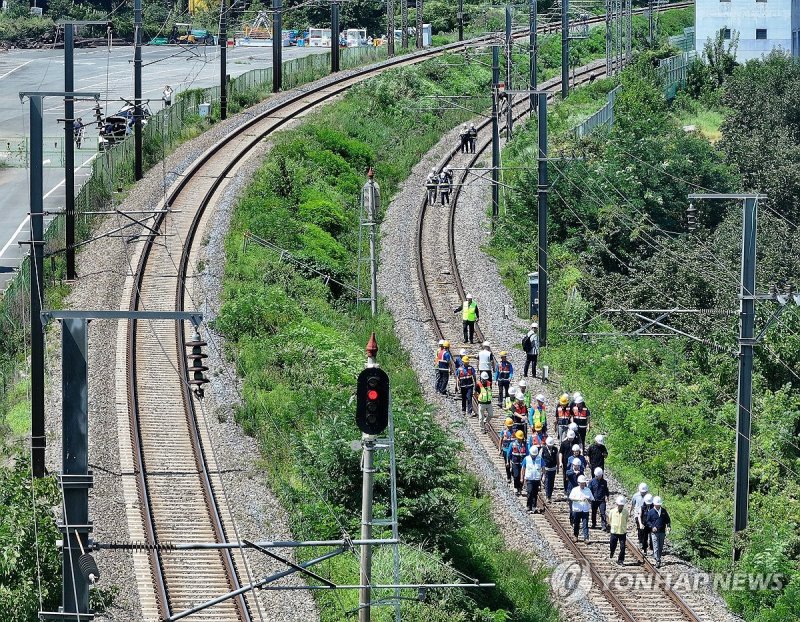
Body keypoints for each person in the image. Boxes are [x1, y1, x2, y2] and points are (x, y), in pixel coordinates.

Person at [569, 474, 594, 543]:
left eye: (584, 483)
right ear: (578, 483)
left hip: (585, 510)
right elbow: (571, 498)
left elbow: (592, 499)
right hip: (577, 509)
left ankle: (586, 538)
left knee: (585, 524)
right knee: (576, 524)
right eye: (581, 483)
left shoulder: (588, 490)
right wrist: (578, 499)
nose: (583, 485)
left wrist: (588, 499)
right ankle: (575, 535)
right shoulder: (575, 490)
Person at [647, 496, 671, 567]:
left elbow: (668, 520)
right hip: (654, 533)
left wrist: (668, 527)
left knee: (660, 546)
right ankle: (657, 560)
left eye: (659, 504)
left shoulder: (664, 511)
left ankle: (658, 557)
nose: (658, 506)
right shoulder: (651, 512)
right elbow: (648, 521)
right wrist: (652, 526)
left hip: (662, 531)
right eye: (657, 505)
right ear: (654, 504)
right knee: (656, 546)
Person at [608, 496, 629, 565]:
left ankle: (620, 560)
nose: (621, 506)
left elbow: (626, 520)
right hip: (614, 531)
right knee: (612, 545)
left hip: (622, 532)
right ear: (617, 504)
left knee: (623, 547)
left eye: (622, 505)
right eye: (620, 505)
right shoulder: (612, 511)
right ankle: (612, 552)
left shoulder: (626, 512)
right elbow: (609, 520)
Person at [522, 446, 543, 513]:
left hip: (537, 479)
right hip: (529, 479)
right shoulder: (526, 459)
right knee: (529, 492)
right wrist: (522, 477)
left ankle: (534, 506)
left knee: (535, 493)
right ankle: (528, 506)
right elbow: (523, 468)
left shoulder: (540, 459)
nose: (533, 456)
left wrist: (543, 476)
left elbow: (543, 467)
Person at [541, 436, 559, 503]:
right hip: (546, 469)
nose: (550, 446)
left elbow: (557, 458)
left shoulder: (555, 449)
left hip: (553, 468)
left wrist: (557, 467)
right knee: (547, 482)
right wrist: (541, 468)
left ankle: (550, 495)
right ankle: (547, 496)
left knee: (551, 483)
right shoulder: (543, 449)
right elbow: (540, 458)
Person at [509, 430, 527, 496]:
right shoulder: (512, 444)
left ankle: (520, 488)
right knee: (516, 476)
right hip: (515, 463)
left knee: (521, 476)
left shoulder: (525, 445)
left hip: (522, 464)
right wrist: (509, 461)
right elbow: (509, 453)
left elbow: (527, 454)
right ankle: (516, 487)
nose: (520, 439)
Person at [559, 429, 577, 494]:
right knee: (565, 475)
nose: (571, 439)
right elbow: (561, 453)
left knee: (574, 475)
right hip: (565, 462)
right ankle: (566, 489)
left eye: (572, 438)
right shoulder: (564, 443)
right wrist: (560, 462)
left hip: (574, 462)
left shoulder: (575, 442)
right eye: (570, 438)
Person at [638, 493, 654, 557]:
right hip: (644, 525)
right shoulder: (642, 507)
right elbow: (639, 516)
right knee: (644, 538)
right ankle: (645, 550)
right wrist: (640, 524)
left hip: (652, 525)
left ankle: (653, 550)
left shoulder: (653, 507)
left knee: (652, 538)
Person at [500, 418, 515, 484]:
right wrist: (499, 449)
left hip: (513, 450)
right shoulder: (503, 432)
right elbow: (501, 440)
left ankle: (512, 473)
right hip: (505, 449)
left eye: (511, 425)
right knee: (507, 464)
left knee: (514, 463)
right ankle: (508, 477)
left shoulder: (515, 431)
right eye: (509, 425)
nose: (510, 427)